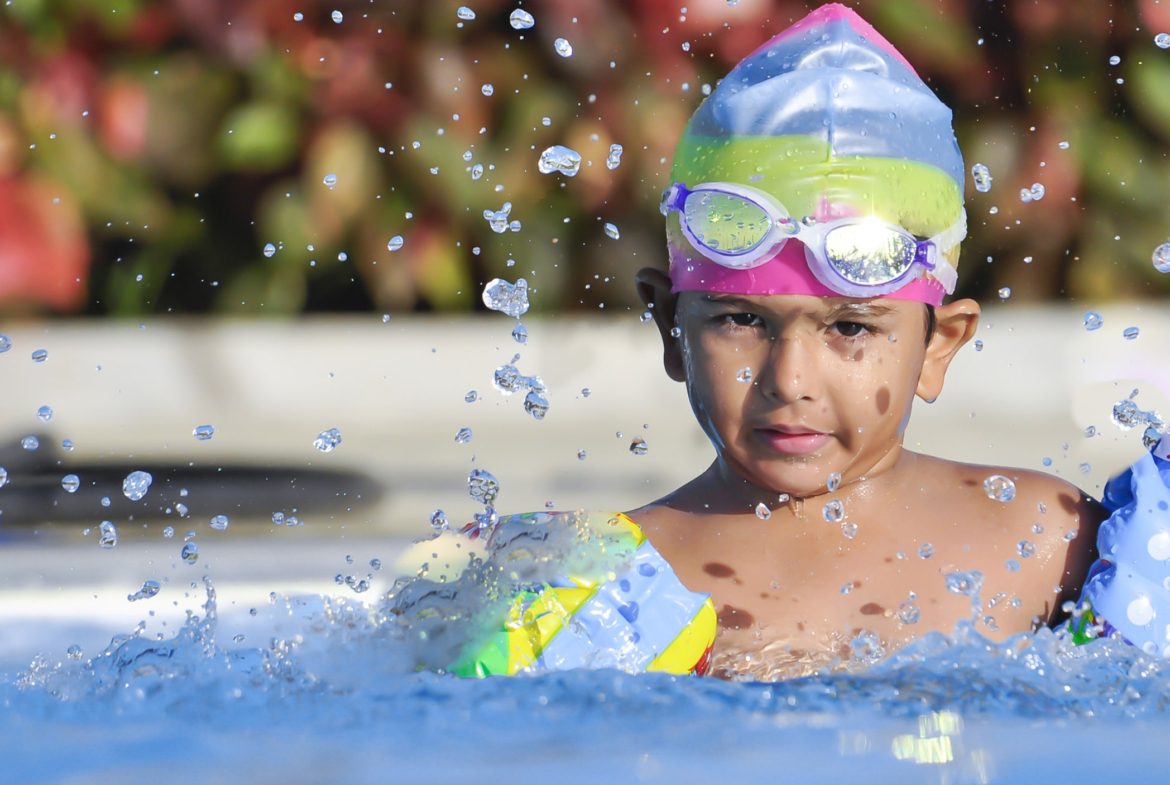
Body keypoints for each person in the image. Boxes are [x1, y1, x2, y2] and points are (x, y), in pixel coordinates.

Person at [618, 3, 1103, 679]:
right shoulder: (610, 581)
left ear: (940, 346)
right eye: (741, 320)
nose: (789, 380)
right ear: (671, 327)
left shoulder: (1052, 542)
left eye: (850, 327)